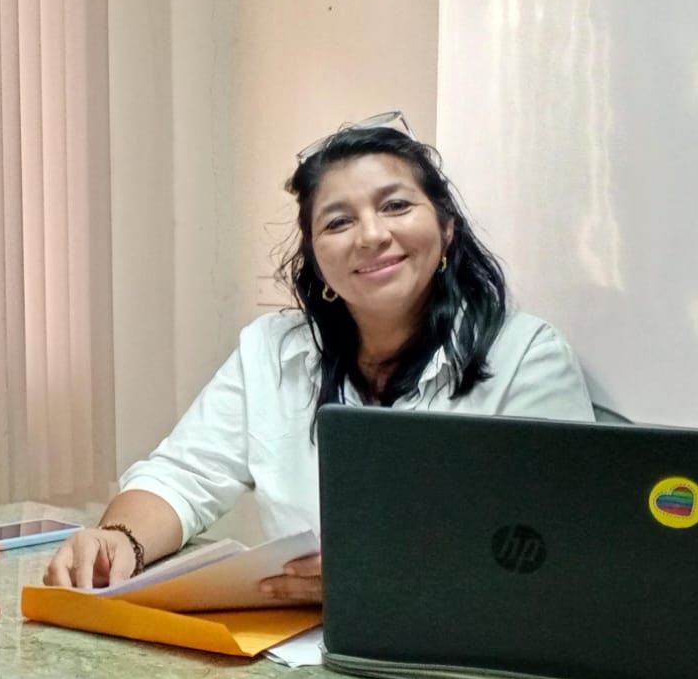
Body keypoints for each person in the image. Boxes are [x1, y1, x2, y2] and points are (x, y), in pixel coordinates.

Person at [45, 113, 593, 602]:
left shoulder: (526, 356)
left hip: (459, 653)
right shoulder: (272, 349)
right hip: (301, 654)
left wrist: (397, 573)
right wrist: (118, 540)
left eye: (396, 206)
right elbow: (182, 476)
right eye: (337, 222)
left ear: (446, 228)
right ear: (316, 259)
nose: (371, 235)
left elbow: (555, 544)